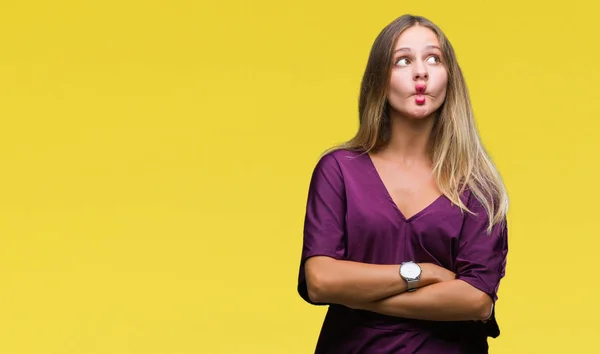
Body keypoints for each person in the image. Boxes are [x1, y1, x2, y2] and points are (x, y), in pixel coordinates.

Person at [296, 14, 509, 354]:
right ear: (380, 80)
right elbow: (321, 280)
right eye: (403, 60)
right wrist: (421, 272)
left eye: (433, 58)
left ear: (449, 79)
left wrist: (359, 298)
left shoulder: (479, 188)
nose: (420, 72)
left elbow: (476, 301)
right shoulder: (338, 170)